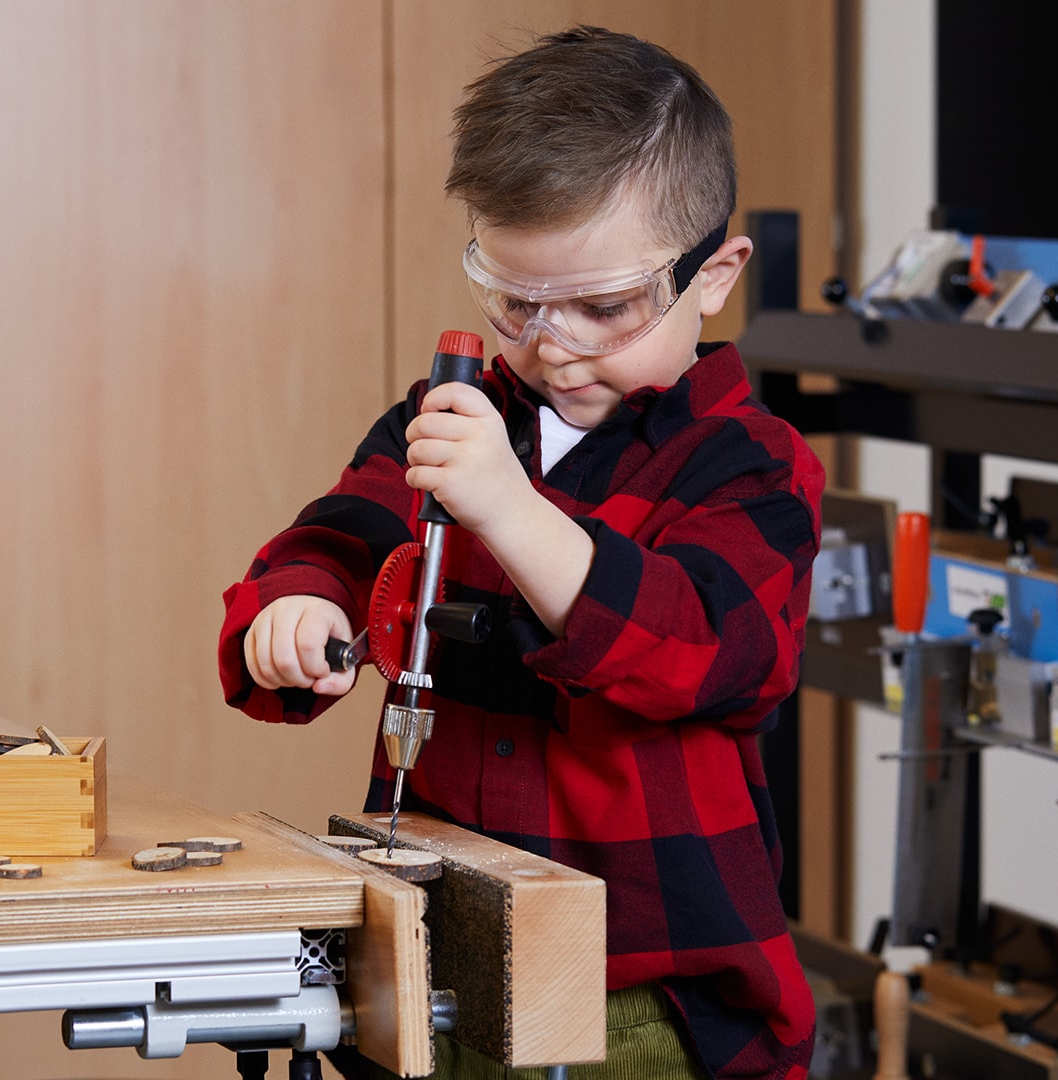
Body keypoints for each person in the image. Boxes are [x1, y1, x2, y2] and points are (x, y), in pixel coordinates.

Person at [219, 25, 822, 1080]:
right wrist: (300, 608)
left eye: (604, 307)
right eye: (515, 300)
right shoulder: (447, 419)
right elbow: (344, 535)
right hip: (437, 943)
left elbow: (699, 647)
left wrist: (509, 505)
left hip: (639, 995)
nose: (553, 344)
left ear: (714, 276)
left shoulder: (749, 466)